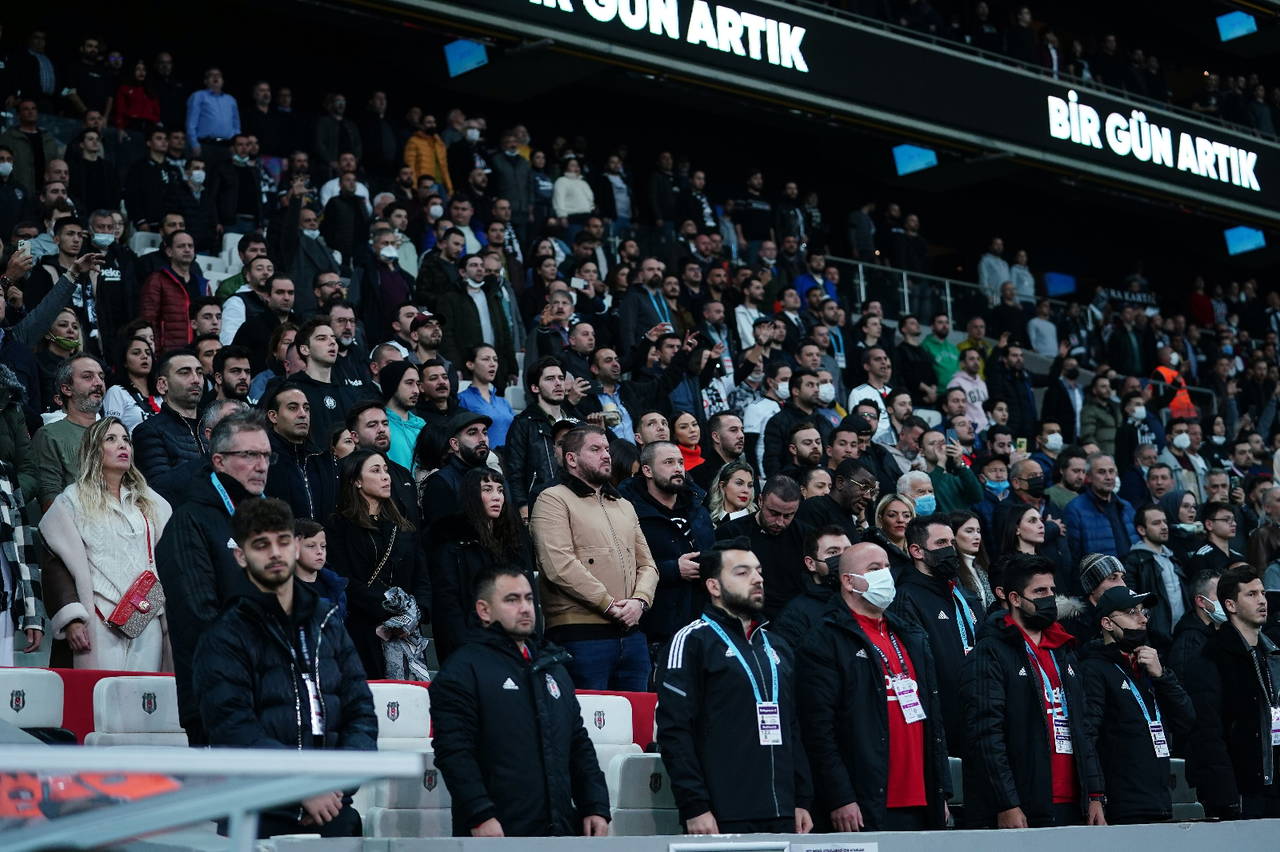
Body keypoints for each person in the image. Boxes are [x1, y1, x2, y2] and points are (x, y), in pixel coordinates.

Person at [192, 497, 376, 839]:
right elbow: (233, 729)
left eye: (282, 541)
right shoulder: (223, 635)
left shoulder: (328, 621)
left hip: (333, 809)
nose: (275, 553)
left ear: (295, 547)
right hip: (257, 815)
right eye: (261, 545)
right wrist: (301, 789)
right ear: (241, 556)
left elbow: (361, 713)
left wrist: (334, 788)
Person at [430, 566, 610, 837]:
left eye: (529, 598)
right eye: (512, 600)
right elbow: (454, 752)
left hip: (561, 831)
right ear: (484, 610)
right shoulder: (462, 670)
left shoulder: (553, 666)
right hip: (497, 833)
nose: (525, 608)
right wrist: (480, 814)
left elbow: (578, 744)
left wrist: (594, 805)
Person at [656, 539, 813, 835]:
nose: (757, 579)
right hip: (722, 813)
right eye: (742, 572)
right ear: (714, 586)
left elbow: (792, 725)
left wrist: (802, 798)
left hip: (783, 811)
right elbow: (674, 731)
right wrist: (695, 806)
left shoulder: (777, 645)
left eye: (759, 571)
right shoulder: (691, 641)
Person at [798, 540, 952, 831]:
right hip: (865, 800)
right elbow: (818, 729)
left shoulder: (910, 634)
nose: (885, 575)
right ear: (848, 581)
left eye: (887, 567)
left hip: (922, 798)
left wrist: (940, 789)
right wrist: (840, 796)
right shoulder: (826, 638)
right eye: (874, 569)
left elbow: (934, 718)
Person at [959, 553, 1107, 828]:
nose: (1050, 598)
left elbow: (1084, 727)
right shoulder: (990, 652)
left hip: (1074, 803)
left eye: (1052, 590)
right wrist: (1007, 803)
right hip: (1023, 803)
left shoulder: (1065, 650)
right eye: (1040, 591)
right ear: (1015, 598)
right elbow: (986, 734)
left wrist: (1095, 794)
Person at [156, 410, 271, 743]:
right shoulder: (188, 521)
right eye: (249, 455)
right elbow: (198, 616)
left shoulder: (272, 521)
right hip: (220, 699)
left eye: (266, 455)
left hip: (275, 697)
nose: (261, 465)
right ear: (219, 461)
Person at [40, 417, 173, 671]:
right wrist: (72, 618)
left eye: (126, 440)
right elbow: (56, 563)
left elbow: (170, 560)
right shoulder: (72, 500)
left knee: (146, 693)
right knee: (100, 693)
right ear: (94, 450)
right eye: (111, 439)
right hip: (98, 618)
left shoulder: (152, 503)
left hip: (147, 616)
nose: (122, 445)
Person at [531, 425, 657, 691]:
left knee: (637, 716)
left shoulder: (624, 505)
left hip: (632, 635)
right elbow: (558, 565)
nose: (606, 455)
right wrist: (609, 605)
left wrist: (640, 601)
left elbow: (648, 565)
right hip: (579, 635)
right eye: (596, 449)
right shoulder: (552, 499)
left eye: (607, 449)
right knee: (588, 715)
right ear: (571, 459)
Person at [1079, 585, 1196, 824]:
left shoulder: (1149, 666)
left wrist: (1162, 676)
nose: (1143, 619)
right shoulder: (1093, 669)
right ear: (1107, 623)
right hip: (1121, 803)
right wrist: (1095, 794)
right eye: (1132, 612)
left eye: (1143, 612)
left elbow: (1187, 719)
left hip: (1160, 799)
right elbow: (1087, 736)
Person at [1184, 566, 1280, 819]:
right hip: (1241, 791)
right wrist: (1225, 795)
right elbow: (1208, 732)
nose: (1262, 600)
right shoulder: (1211, 658)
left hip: (1273, 787)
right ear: (1230, 605)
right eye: (1251, 594)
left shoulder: (1271, 655)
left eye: (1262, 593)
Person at [326, 450, 430, 679]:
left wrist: (415, 613)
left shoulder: (403, 526)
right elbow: (343, 579)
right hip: (362, 630)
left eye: (386, 470)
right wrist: (386, 606)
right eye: (375, 471)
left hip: (406, 631)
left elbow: (421, 577)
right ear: (356, 481)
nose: (385, 476)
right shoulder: (339, 525)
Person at [430, 466, 539, 663]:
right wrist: (464, 651)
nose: (497, 497)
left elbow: (529, 594)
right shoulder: (451, 542)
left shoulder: (515, 540)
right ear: (471, 495)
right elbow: (448, 605)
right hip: (472, 648)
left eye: (500, 490)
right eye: (487, 489)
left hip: (514, 645)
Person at [892, 516, 979, 756]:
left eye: (952, 543)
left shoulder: (961, 592)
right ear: (917, 551)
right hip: (943, 720)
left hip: (976, 711)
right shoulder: (906, 597)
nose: (950, 550)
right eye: (941, 543)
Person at [619, 440, 715, 653]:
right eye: (669, 462)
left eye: (680, 462)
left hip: (701, 625)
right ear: (647, 470)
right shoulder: (628, 511)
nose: (678, 468)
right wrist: (674, 569)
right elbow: (623, 567)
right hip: (653, 630)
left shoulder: (698, 507)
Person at [716, 475, 807, 618]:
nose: (780, 522)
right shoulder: (731, 533)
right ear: (760, 501)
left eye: (788, 516)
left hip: (793, 617)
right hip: (746, 614)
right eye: (774, 513)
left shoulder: (805, 535)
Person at [506, 358, 576, 520]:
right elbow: (514, 472)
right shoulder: (523, 424)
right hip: (541, 507)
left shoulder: (575, 422)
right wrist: (523, 507)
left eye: (560, 378)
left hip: (577, 505)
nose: (558, 383)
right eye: (550, 379)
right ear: (535, 387)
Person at [33, 354, 106, 509]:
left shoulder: (115, 432)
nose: (99, 383)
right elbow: (50, 500)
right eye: (88, 377)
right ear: (66, 389)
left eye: (101, 377)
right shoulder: (50, 435)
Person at [132, 350, 207, 498]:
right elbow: (158, 487)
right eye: (185, 373)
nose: (196, 380)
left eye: (199, 373)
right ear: (162, 385)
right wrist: (209, 463)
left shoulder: (214, 425)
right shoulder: (149, 431)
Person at [770, 525, 850, 650]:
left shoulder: (865, 597)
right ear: (811, 563)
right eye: (833, 552)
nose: (844, 558)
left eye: (848, 551)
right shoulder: (795, 615)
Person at [1124, 504, 1190, 655]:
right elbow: (1132, 604)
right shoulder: (1134, 561)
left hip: (1182, 636)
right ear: (1142, 530)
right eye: (1156, 523)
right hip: (1157, 641)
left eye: (1165, 521)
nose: (1164, 526)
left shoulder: (1172, 557)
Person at [1064, 453, 1137, 574]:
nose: (1109, 477)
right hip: (1100, 578)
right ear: (1089, 477)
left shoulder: (1126, 506)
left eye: (1111, 471)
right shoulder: (1075, 509)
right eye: (1102, 472)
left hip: (1131, 576)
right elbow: (1073, 556)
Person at [417, 410, 492, 525]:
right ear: (455, 444)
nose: (482, 439)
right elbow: (440, 531)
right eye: (472, 433)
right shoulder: (441, 481)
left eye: (485, 432)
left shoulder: (496, 477)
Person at [1169, 569, 1226, 681]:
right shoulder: (1189, 643)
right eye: (1220, 594)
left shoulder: (1221, 631)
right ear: (1201, 601)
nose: (1227, 601)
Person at [1189, 500, 1246, 576]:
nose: (1234, 524)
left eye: (1233, 520)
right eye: (1226, 520)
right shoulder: (1202, 557)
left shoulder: (1238, 557)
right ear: (1209, 525)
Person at [707, 460, 756, 527]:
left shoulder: (756, 522)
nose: (746, 490)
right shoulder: (707, 520)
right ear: (722, 486)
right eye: (739, 483)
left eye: (750, 485)